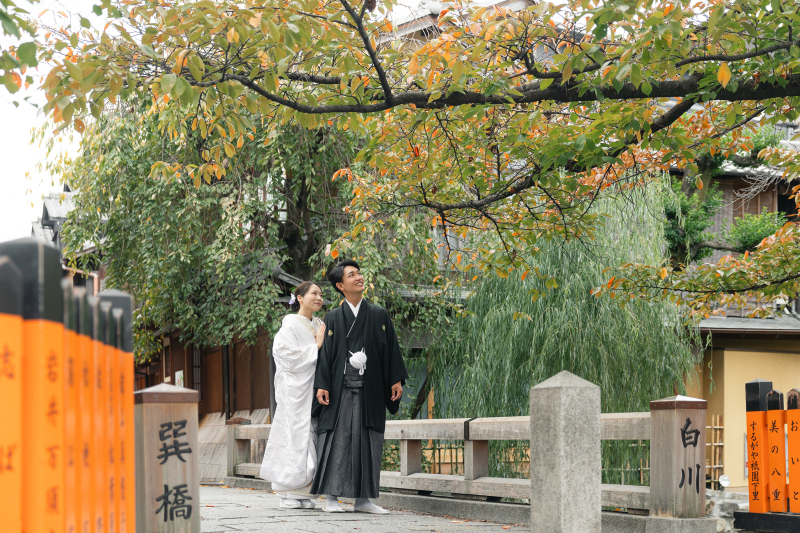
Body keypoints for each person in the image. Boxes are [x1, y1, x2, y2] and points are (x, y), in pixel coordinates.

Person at [310, 259, 408, 514]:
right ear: (341, 285)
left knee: (367, 441)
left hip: (369, 388)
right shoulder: (332, 318)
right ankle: (332, 499)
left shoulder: (378, 315)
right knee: (335, 441)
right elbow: (326, 355)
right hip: (339, 389)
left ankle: (363, 500)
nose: (358, 277)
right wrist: (322, 384)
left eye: (359, 273)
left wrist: (395, 379)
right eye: (352, 275)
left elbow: (390, 349)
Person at [259, 281, 326, 509]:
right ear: (299, 297)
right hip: (294, 390)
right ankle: (286, 493)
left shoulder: (319, 324)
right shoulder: (289, 325)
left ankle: (303, 493)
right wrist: (315, 347)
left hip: (312, 387)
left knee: (309, 436)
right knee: (293, 436)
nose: (319, 298)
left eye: (321, 294)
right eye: (314, 293)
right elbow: (283, 354)